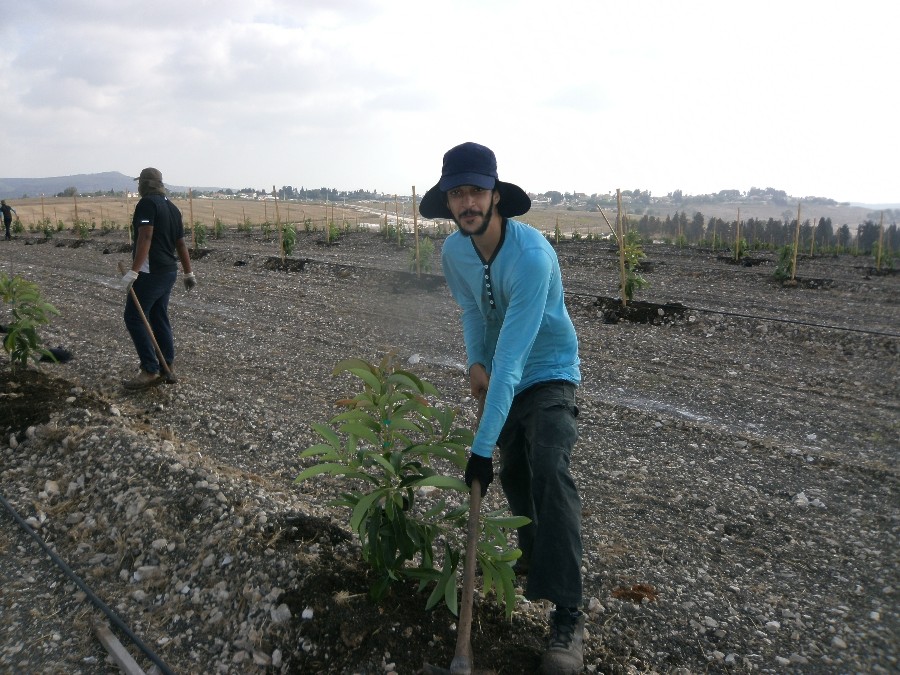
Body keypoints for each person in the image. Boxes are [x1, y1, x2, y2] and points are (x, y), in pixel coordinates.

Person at [419, 142, 584, 674]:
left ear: (496, 195)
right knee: (516, 477)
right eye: (457, 192)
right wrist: (473, 362)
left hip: (548, 370)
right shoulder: (453, 252)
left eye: (476, 190)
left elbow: (514, 363)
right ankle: (535, 567)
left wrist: (477, 450)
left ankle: (567, 616)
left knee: (550, 470)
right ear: (448, 201)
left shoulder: (532, 257)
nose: (467, 202)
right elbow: (471, 308)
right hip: (499, 374)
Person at [121, 167, 196, 390]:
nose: (138, 187)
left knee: (134, 317)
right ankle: (167, 364)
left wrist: (133, 271)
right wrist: (188, 272)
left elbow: (146, 236)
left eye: (140, 183)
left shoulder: (147, 204)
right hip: (168, 272)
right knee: (157, 315)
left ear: (145, 184)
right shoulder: (172, 208)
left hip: (150, 272)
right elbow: (180, 243)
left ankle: (150, 370)